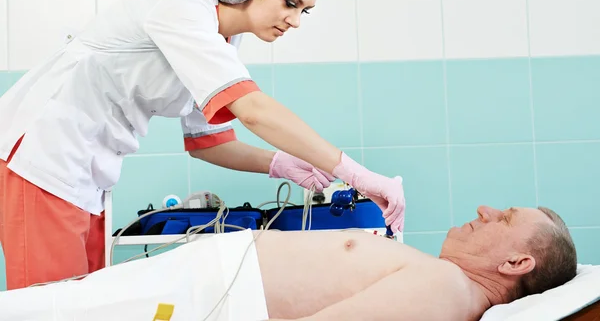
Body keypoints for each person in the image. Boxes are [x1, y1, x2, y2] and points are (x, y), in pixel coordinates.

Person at [0, 0, 405, 291]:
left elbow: (209, 144)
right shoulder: (183, 6)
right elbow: (253, 111)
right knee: (51, 306)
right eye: (290, 2)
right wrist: (357, 174)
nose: (295, 21)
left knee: (84, 301)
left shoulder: (223, 41)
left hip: (85, 173)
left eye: (305, 10)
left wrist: (281, 163)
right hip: (44, 156)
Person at [0, 204, 578, 320]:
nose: (484, 209)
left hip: (206, 300)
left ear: (517, 262)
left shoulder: (449, 292)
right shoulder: (442, 279)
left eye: (503, 219)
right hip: (203, 288)